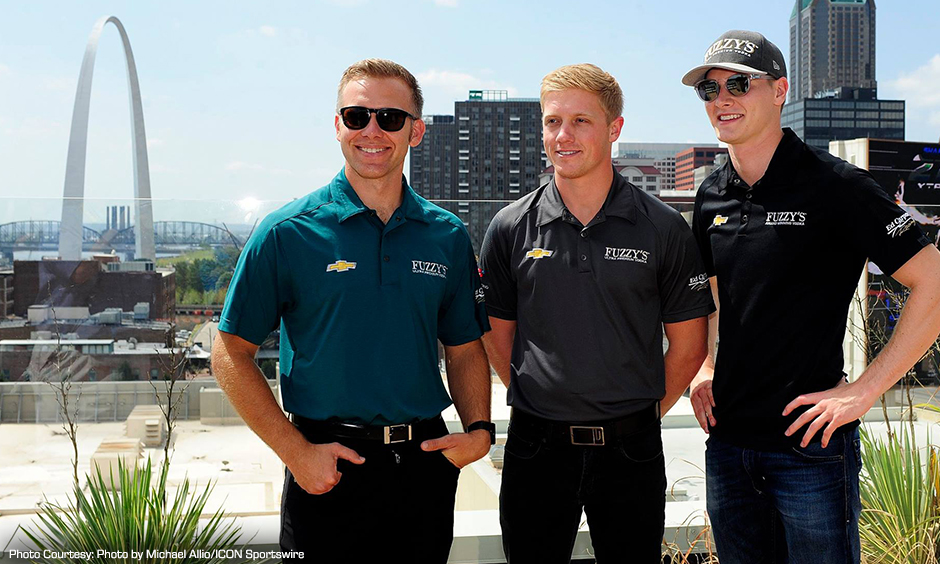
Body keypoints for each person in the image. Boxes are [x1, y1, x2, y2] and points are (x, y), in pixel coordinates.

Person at [212, 59, 494, 563]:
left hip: (425, 465)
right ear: (338, 126)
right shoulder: (287, 232)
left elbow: (464, 347)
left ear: (416, 131)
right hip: (326, 465)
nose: (372, 130)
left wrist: (479, 432)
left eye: (390, 118)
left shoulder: (447, 235)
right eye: (357, 115)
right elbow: (229, 352)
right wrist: (295, 452)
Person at [683, 30, 940, 564]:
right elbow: (714, 294)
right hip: (728, 445)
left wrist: (864, 391)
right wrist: (705, 368)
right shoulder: (711, 194)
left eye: (738, 84)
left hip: (811, 447)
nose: (722, 99)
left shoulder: (836, 185)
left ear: (779, 91)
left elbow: (933, 282)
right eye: (710, 89)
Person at [480, 63, 714, 563]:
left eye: (581, 121)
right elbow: (497, 336)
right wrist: (540, 399)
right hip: (535, 448)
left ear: (614, 128)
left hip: (631, 451)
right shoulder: (509, 227)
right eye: (552, 121)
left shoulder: (663, 228)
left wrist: (640, 415)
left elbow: (690, 344)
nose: (562, 135)